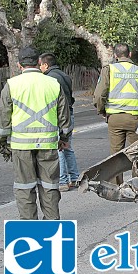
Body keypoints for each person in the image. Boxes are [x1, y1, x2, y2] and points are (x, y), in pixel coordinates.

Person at [0, 46, 72, 220]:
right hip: (48, 145)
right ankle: (51, 224)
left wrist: (1, 143)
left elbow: (3, 121)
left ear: (19, 64)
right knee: (49, 187)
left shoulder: (12, 85)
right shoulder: (53, 84)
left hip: (21, 147)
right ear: (38, 62)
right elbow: (64, 118)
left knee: (24, 188)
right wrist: (64, 138)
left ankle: (30, 229)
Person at [93, 43, 138, 185]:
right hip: (135, 117)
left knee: (116, 153)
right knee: (137, 153)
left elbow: (99, 95)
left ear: (115, 55)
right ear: (130, 54)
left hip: (115, 117)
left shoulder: (109, 70)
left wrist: (102, 110)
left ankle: (117, 185)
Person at [39, 52, 80, 192]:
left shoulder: (49, 78)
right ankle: (75, 178)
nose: (39, 68)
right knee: (68, 147)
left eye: (40, 65)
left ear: (45, 64)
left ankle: (62, 181)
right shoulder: (65, 76)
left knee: (59, 149)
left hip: (57, 115)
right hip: (69, 114)